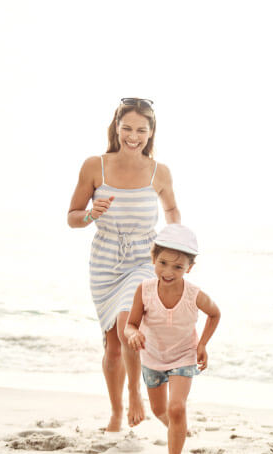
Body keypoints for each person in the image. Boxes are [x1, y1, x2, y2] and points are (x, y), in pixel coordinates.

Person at [67, 98, 181, 433]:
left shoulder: (159, 171)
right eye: (127, 128)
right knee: (112, 347)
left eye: (141, 130)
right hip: (104, 262)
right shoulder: (94, 166)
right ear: (116, 127)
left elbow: (172, 211)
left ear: (151, 132)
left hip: (144, 258)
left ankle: (135, 393)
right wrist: (90, 214)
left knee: (125, 322)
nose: (133, 136)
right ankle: (116, 413)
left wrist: (175, 246)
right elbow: (72, 217)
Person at [124, 224, 220, 454]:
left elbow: (215, 314)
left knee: (176, 408)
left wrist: (202, 344)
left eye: (177, 267)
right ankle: (177, 430)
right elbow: (130, 324)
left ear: (189, 268)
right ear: (153, 258)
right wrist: (132, 334)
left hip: (183, 356)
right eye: (163, 263)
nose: (168, 272)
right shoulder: (143, 290)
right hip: (152, 357)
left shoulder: (194, 294)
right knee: (159, 410)